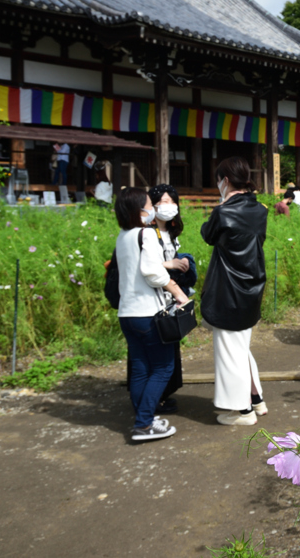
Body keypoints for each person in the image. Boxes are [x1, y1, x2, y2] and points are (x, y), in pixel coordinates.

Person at [114, 187, 190, 441]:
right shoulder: (146, 234)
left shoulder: (123, 236)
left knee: (140, 368)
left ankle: (144, 418)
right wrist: (179, 293)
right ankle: (144, 425)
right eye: (149, 205)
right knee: (163, 367)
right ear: (139, 210)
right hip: (148, 313)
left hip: (127, 314)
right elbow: (153, 272)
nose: (153, 209)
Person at [201, 157, 269, 426]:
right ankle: (256, 399)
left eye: (219, 180)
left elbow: (208, 235)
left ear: (225, 180)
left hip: (228, 291)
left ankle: (242, 412)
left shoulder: (223, 212)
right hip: (252, 286)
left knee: (230, 352)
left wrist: (221, 206)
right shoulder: (260, 209)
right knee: (240, 348)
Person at [141, 184, 196, 414]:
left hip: (167, 300)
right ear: (152, 205)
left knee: (168, 349)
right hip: (152, 299)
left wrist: (181, 263)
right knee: (155, 356)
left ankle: (162, 396)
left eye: (172, 201)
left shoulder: (171, 234)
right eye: (163, 201)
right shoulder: (146, 232)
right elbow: (146, 265)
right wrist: (170, 264)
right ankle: (150, 403)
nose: (169, 206)